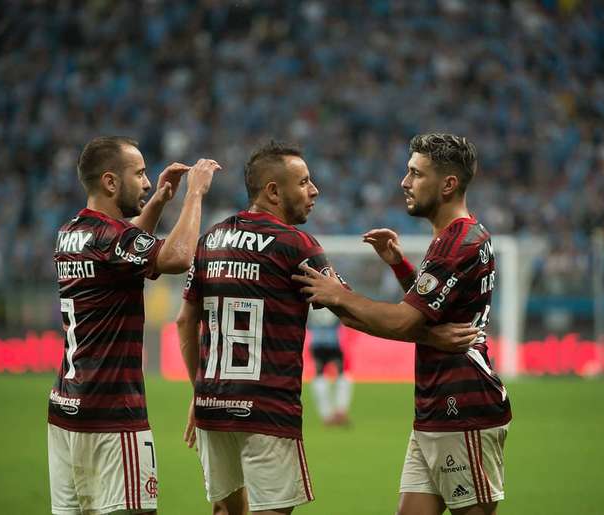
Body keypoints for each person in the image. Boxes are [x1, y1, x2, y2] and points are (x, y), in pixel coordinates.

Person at [176, 140, 480, 515]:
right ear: (273, 191)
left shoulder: (209, 241)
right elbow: (348, 310)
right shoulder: (294, 244)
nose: (314, 189)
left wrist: (198, 390)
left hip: (212, 405)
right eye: (303, 182)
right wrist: (431, 335)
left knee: (225, 510)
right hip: (266, 410)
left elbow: (184, 320)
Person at [294, 133, 512, 515]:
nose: (404, 182)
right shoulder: (454, 237)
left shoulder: (457, 243)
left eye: (416, 173)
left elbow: (401, 322)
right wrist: (399, 264)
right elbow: (432, 310)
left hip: (463, 407)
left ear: (448, 184)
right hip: (435, 409)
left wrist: (339, 295)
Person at [48, 136, 221, 515]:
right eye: (140, 174)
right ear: (111, 182)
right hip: (111, 415)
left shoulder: (73, 233)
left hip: (66, 411)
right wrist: (195, 195)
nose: (147, 181)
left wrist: (158, 200)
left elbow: (127, 245)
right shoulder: (111, 238)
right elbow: (176, 257)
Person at [307, 307, 352, 426]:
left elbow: (307, 324)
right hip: (333, 343)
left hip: (317, 344)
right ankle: (340, 412)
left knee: (319, 376)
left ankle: (326, 415)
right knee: (343, 375)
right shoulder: (331, 298)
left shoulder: (310, 304)